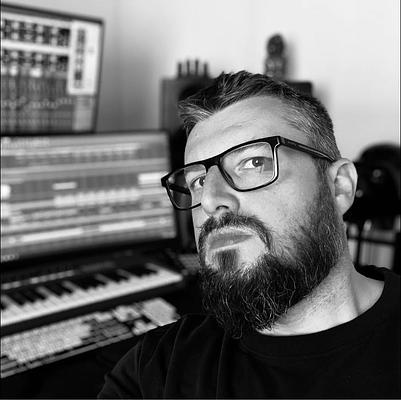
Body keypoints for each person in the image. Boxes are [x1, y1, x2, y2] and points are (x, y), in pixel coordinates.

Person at [98, 71, 400, 398]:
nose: (211, 200)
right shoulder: (156, 370)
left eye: (253, 162)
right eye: (199, 181)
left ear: (339, 187)